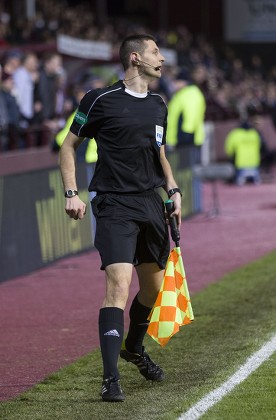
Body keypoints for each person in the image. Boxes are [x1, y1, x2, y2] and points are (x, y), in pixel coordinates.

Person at [59, 33, 182, 402]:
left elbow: (158, 152)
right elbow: (68, 147)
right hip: (114, 204)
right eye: (155, 52)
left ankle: (133, 347)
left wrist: (173, 190)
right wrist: (71, 192)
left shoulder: (160, 103)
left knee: (153, 290)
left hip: (150, 203)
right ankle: (110, 379)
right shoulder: (98, 100)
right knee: (118, 284)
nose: (162, 58)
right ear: (135, 58)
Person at [224, 115, 262, 185]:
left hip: (240, 166)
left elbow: (229, 150)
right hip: (255, 165)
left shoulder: (235, 134)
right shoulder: (255, 134)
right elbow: (261, 148)